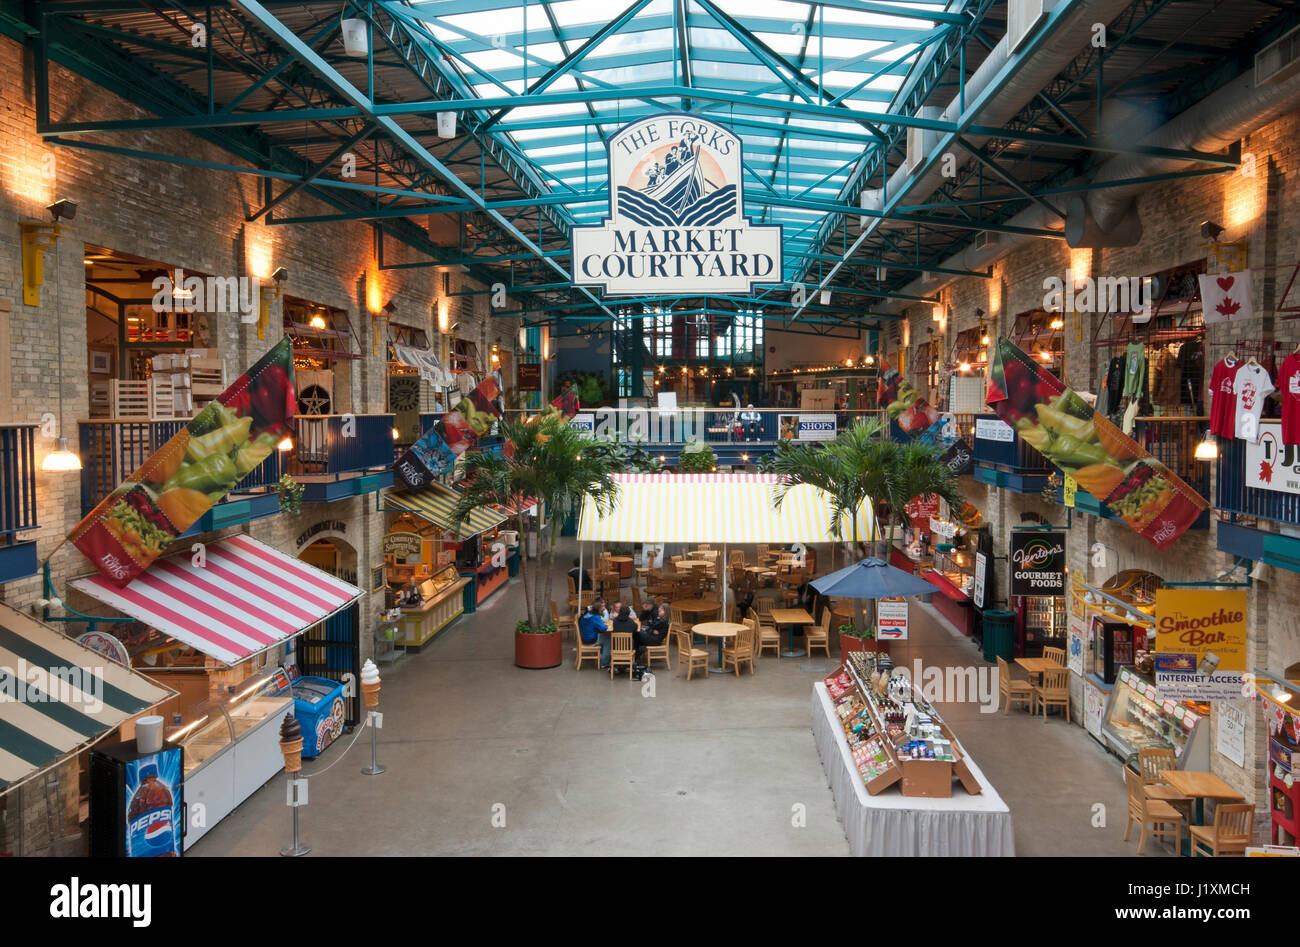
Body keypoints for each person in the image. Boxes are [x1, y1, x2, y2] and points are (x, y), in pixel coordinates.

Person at [610, 603, 639, 672]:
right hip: (628, 647)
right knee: (637, 640)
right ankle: (631, 663)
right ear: (628, 613)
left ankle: (616, 664)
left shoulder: (615, 621)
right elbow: (635, 628)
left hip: (616, 647)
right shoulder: (631, 622)